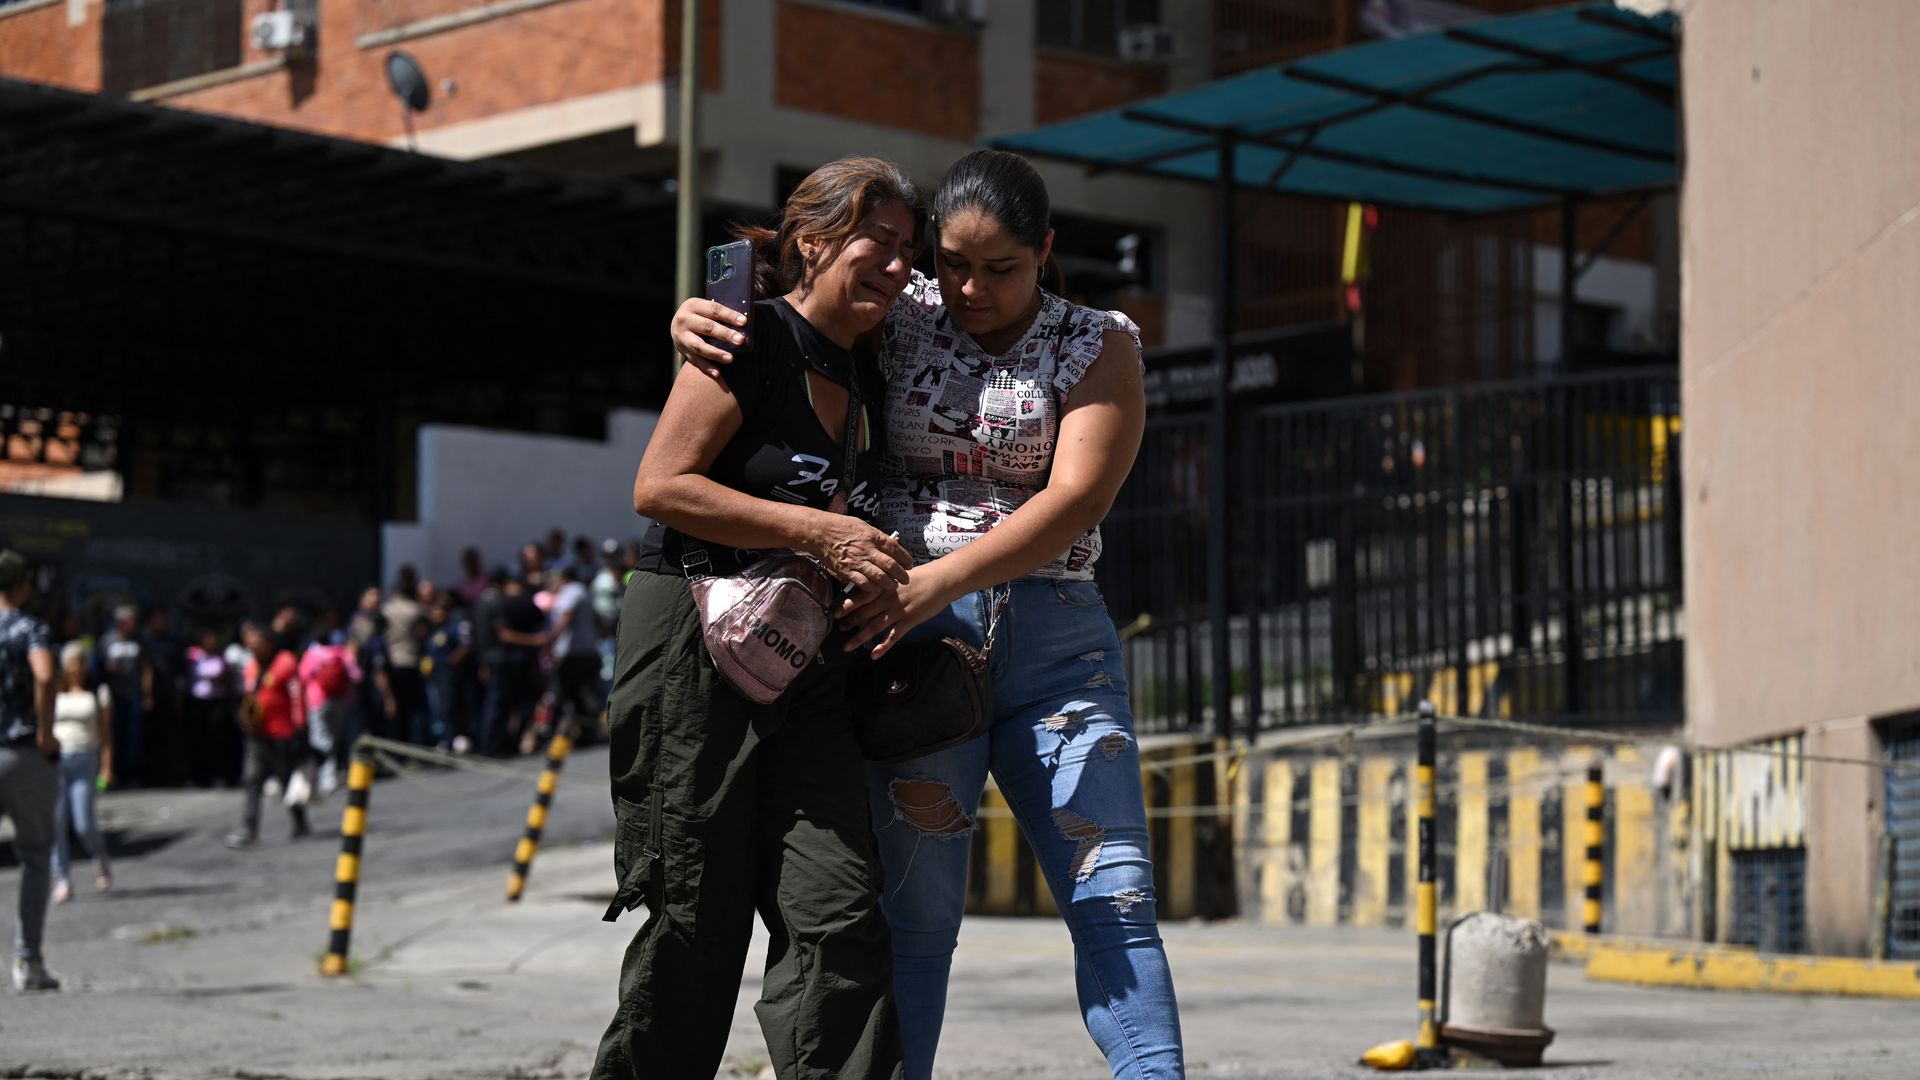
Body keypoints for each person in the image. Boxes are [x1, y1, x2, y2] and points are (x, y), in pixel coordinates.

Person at [673, 149, 1182, 1079]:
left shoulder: (1096, 341)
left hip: (1052, 643)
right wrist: (698, 316)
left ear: (1046, 253)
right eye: (951, 262)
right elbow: (795, 305)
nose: (970, 289)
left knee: (1112, 898)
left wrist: (933, 585)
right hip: (910, 648)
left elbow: (1074, 502)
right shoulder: (901, 313)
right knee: (917, 918)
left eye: (1001, 269)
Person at [591, 156, 923, 1080]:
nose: (901, 266)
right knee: (696, 910)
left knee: (841, 908)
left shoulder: (867, 367)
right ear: (813, 243)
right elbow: (660, 485)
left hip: (803, 659)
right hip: (691, 637)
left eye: (909, 248)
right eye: (879, 242)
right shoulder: (750, 338)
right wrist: (822, 530)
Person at [0, 550, 61, 991]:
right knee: (36, 855)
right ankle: (28, 961)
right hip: (20, 752)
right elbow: (43, 674)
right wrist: (46, 733)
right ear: (21, 586)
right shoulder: (28, 628)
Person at [226, 620, 310, 849]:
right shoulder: (251, 666)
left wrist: (300, 726)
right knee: (252, 780)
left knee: (286, 781)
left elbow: (296, 696)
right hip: (257, 735)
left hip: (282, 734)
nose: (252, 646)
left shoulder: (286, 662)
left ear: (269, 643)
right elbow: (250, 696)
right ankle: (249, 829)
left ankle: (300, 820)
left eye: (257, 641)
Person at [50, 642, 112, 903]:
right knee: (56, 823)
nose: (75, 668)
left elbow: (107, 735)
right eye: (70, 663)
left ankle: (99, 857)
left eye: (79, 662)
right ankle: (63, 878)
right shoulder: (54, 691)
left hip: (86, 759)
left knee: (83, 823)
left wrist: (108, 767)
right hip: (57, 760)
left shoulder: (98, 692)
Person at [298, 617, 361, 796]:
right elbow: (357, 676)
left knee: (320, 738)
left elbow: (303, 676)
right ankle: (330, 775)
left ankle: (324, 776)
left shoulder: (311, 655)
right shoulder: (342, 653)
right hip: (342, 701)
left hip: (317, 701)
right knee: (335, 738)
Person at [541, 566, 600, 741]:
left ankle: (554, 735)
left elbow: (566, 616)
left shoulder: (571, 592)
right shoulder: (584, 591)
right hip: (586, 649)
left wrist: (550, 639)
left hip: (573, 652)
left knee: (562, 693)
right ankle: (586, 732)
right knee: (579, 695)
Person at [98, 604, 149, 786]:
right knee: (114, 734)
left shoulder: (138, 640)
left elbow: (146, 667)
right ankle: (113, 773)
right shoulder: (107, 640)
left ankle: (131, 775)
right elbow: (101, 666)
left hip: (134, 694)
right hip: (114, 695)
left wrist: (147, 693)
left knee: (133, 736)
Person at [377, 571, 429, 745]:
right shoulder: (415, 610)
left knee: (396, 708)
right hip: (411, 660)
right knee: (414, 709)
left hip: (393, 661)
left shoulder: (386, 610)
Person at [185, 628, 239, 787]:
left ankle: (220, 774)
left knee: (218, 739)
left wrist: (220, 679)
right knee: (199, 739)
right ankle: (200, 776)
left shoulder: (221, 657)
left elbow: (228, 678)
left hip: (217, 701)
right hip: (198, 701)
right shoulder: (193, 655)